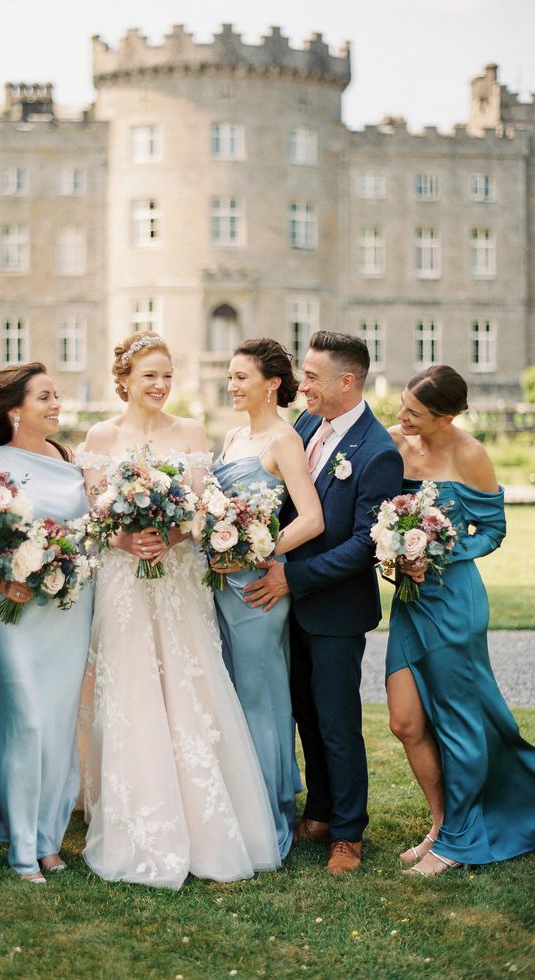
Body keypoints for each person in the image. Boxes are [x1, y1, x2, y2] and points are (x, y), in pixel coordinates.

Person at [77, 331, 281, 889]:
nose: (161, 385)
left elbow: (201, 508)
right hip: (123, 580)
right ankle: (139, 822)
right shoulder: (101, 435)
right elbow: (95, 515)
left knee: (191, 686)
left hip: (179, 577)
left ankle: (207, 824)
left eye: (167, 374)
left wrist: (168, 536)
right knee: (131, 691)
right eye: (150, 375)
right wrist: (124, 541)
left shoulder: (190, 432)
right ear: (125, 380)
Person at [386, 364, 535, 876]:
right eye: (402, 406)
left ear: (446, 416)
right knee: (404, 721)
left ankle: (458, 841)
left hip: (454, 601)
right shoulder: (396, 442)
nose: (402, 417)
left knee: (460, 723)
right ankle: (442, 825)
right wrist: (394, 548)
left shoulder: (471, 454)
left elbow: (492, 529)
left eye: (414, 413)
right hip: (409, 602)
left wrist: (438, 549)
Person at [244, 330, 403, 874]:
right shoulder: (307, 424)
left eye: (311, 377)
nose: (300, 384)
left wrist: (294, 576)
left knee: (337, 721)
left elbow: (365, 545)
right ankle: (320, 808)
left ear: (347, 381)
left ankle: (349, 833)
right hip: (290, 600)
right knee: (305, 712)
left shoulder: (378, 451)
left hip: (334, 608)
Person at [0, 363, 93, 883]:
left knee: (56, 726)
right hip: (14, 610)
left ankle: (48, 840)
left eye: (57, 396)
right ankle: (20, 847)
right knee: (24, 722)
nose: (56, 405)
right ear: (15, 410)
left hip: (68, 607)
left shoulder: (66, 457)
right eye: (44, 397)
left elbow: (87, 529)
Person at [212, 338, 324, 859]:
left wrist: (262, 548)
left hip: (257, 590)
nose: (232, 385)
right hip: (218, 586)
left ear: (271, 383)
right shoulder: (234, 435)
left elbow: (311, 517)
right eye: (230, 377)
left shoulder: (283, 440)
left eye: (241, 377)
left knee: (260, 697)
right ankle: (237, 802)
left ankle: (271, 811)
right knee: (229, 693)